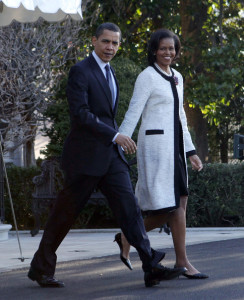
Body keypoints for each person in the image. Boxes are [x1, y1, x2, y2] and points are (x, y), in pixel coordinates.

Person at [27, 23, 186, 289]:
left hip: (110, 157)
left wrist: (115, 140)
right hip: (85, 158)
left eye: (115, 43)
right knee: (64, 214)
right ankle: (40, 268)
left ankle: (150, 266)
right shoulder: (80, 71)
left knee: (130, 209)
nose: (110, 47)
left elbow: (106, 114)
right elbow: (81, 114)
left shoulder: (111, 72)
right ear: (94, 41)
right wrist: (115, 135)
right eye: (105, 42)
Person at [115, 29, 208, 279]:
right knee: (164, 208)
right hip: (155, 148)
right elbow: (134, 110)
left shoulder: (177, 77)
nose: (168, 52)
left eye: (172, 48)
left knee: (180, 204)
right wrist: (121, 139)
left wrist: (191, 151)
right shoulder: (147, 76)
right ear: (154, 50)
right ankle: (127, 235)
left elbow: (180, 117)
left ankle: (182, 261)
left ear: (177, 52)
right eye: (163, 48)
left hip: (176, 149)